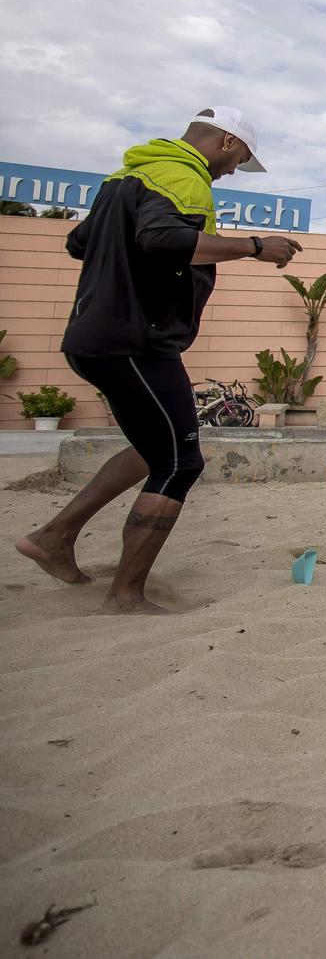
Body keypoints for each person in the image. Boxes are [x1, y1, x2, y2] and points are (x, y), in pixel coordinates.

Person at [15, 108, 302, 614]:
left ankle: (55, 536)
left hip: (94, 335)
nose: (232, 171)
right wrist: (255, 245)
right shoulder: (186, 176)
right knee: (179, 462)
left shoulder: (127, 175)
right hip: (136, 341)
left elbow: (78, 242)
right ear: (228, 142)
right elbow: (161, 239)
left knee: (152, 448)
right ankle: (125, 594)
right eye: (238, 160)